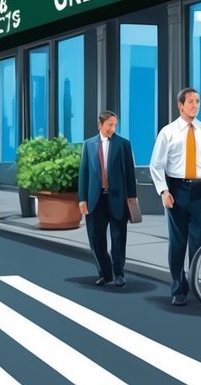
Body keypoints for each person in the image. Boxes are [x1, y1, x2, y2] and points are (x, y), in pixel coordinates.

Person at [150, 87, 201, 306]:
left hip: (200, 190)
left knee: (198, 241)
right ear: (180, 105)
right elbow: (156, 165)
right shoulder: (168, 132)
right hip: (176, 190)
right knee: (178, 243)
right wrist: (163, 191)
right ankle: (178, 288)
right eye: (190, 101)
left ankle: (194, 282)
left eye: (197, 101)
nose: (195, 105)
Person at [78, 111, 138, 287]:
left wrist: (131, 200)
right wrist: (82, 199)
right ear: (100, 125)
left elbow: (129, 173)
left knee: (118, 238)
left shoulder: (123, 144)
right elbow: (84, 173)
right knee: (96, 239)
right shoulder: (88, 145)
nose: (113, 128)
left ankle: (119, 273)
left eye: (115, 125)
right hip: (95, 200)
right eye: (109, 125)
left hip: (118, 199)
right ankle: (105, 273)